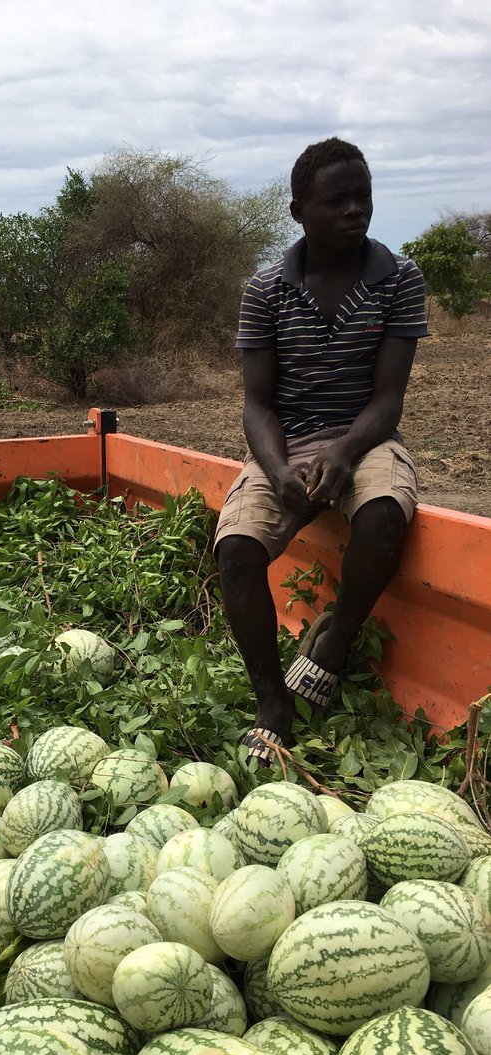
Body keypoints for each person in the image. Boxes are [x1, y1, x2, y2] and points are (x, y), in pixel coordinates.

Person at [214, 137, 428, 766]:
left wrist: (346, 451)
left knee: (386, 514)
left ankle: (332, 647)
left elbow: (388, 400)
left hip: (366, 436)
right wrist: (278, 470)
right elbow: (257, 406)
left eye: (363, 197)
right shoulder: (266, 290)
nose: (355, 210)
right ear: (298, 211)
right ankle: (272, 702)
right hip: (288, 443)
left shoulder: (399, 278)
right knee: (235, 552)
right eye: (336, 200)